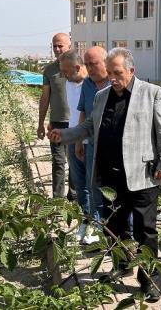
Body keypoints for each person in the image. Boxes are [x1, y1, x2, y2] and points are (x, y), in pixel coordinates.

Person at [48, 48, 161, 302]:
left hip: (142, 176)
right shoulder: (102, 96)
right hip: (110, 176)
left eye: (118, 73)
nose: (114, 78)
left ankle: (148, 280)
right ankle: (122, 264)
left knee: (144, 231)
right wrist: (66, 136)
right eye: (111, 73)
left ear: (131, 71)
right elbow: (89, 126)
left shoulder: (151, 93)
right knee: (113, 227)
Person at [58, 49, 98, 244]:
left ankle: (95, 225)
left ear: (77, 67)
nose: (64, 75)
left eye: (66, 71)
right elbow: (75, 115)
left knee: (94, 185)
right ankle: (85, 222)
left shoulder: (92, 85)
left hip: (90, 140)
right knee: (80, 185)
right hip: (75, 139)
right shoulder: (68, 83)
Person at [37, 33, 74, 200]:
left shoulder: (78, 68)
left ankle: (74, 197)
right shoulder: (49, 70)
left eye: (61, 46)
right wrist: (40, 123)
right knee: (58, 162)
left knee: (75, 163)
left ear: (69, 46)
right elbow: (45, 98)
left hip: (75, 123)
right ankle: (58, 201)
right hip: (56, 123)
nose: (57, 49)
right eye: (54, 46)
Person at [76, 46, 110, 229]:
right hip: (90, 144)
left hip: (112, 147)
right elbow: (83, 112)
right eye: (87, 64)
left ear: (105, 62)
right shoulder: (87, 84)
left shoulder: (116, 83)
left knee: (111, 188)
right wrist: (79, 141)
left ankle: (113, 227)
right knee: (92, 185)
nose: (89, 68)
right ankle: (96, 225)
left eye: (93, 63)